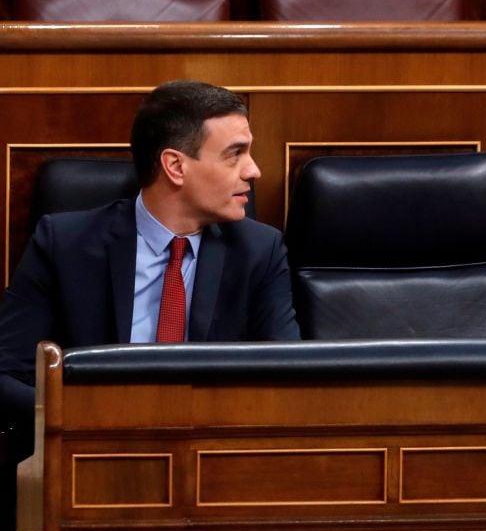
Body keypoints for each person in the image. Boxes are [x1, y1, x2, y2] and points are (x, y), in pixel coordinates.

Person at [0, 80, 300, 459]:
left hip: (213, 458)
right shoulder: (64, 244)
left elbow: (289, 380)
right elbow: (5, 373)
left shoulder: (260, 251)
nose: (254, 171)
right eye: (235, 154)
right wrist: (87, 420)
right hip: (90, 456)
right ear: (175, 166)